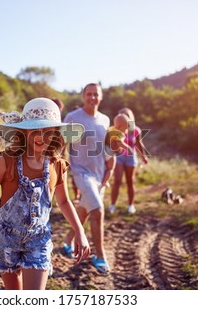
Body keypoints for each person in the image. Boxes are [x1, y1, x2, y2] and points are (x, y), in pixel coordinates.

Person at [0, 97, 90, 290]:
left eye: (48, 131)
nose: (41, 137)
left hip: (38, 240)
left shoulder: (57, 165)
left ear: (56, 133)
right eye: (35, 130)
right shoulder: (6, 161)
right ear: (24, 131)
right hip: (5, 240)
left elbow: (65, 202)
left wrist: (80, 232)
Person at [62, 83, 113, 273]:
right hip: (81, 172)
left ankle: (68, 241)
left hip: (99, 174)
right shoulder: (72, 118)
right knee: (98, 210)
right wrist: (59, 168)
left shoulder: (105, 120)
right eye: (89, 94)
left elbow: (106, 147)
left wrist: (110, 163)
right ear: (83, 96)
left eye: (95, 94)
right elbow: (62, 144)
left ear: (101, 97)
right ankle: (100, 255)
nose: (92, 97)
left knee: (84, 210)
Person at [109, 107, 148, 215]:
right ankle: (112, 205)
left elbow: (139, 144)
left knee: (130, 181)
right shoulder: (115, 129)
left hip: (131, 157)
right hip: (119, 157)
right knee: (117, 181)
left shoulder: (135, 130)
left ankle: (130, 205)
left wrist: (143, 156)